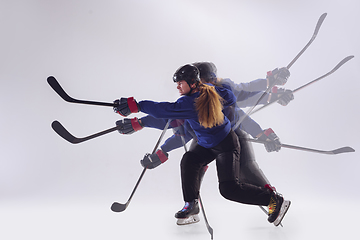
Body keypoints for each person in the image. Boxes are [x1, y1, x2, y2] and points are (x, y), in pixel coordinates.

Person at [113, 64, 290, 227]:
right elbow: (172, 119)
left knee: (229, 188)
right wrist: (141, 123)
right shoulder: (210, 91)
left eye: (180, 83)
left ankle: (273, 200)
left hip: (226, 144)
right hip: (206, 144)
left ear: (192, 82)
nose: (177, 87)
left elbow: (164, 110)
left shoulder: (190, 102)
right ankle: (191, 204)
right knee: (189, 160)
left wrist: (135, 106)